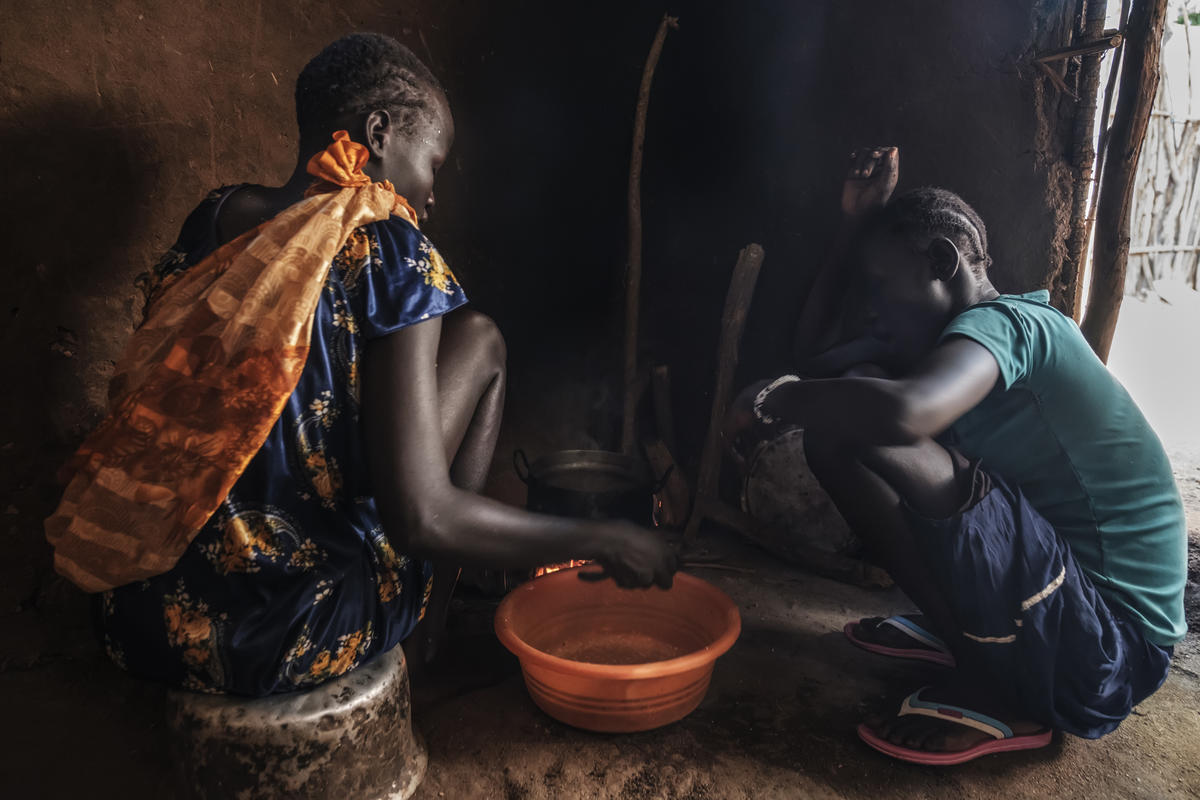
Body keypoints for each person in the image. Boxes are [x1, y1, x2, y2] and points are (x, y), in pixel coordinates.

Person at [46, 33, 676, 696]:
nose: (431, 195)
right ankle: (423, 637)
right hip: (280, 636)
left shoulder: (216, 217)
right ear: (379, 132)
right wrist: (605, 538)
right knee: (483, 342)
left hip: (138, 612)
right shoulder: (392, 249)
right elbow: (422, 518)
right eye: (433, 162)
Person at [731, 149, 1186, 764]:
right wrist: (854, 229)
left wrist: (778, 398)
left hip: (1109, 651)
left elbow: (901, 413)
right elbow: (816, 362)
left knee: (864, 419)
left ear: (943, 264)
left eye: (882, 289)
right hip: (1062, 608)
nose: (867, 311)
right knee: (843, 413)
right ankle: (974, 641)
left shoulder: (1014, 325)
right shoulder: (941, 343)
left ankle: (1003, 693)